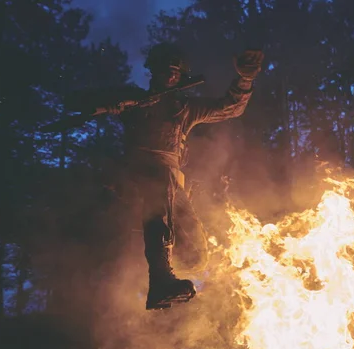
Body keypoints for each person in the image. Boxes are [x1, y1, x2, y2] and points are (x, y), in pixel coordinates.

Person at [110, 42, 264, 310]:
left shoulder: (184, 109)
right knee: (160, 193)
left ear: (181, 76)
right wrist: (115, 104)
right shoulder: (133, 101)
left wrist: (245, 79)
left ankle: (158, 265)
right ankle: (159, 279)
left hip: (171, 179)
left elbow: (229, 108)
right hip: (140, 176)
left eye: (176, 72)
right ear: (153, 72)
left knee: (196, 254)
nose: (170, 76)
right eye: (164, 70)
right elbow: (79, 102)